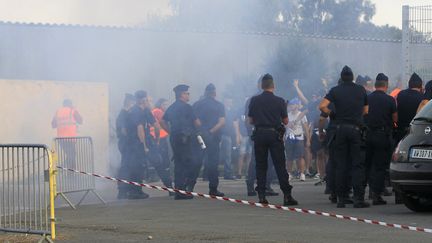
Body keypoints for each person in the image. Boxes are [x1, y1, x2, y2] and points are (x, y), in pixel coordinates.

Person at [319, 66, 370, 208]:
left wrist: (332, 114)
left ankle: (341, 199)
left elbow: (322, 106)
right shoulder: (360, 90)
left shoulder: (335, 90)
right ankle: (359, 199)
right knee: (357, 164)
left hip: (340, 130)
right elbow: (366, 110)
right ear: (352, 77)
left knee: (341, 165)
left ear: (341, 78)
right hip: (355, 129)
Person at [248, 73, 298, 206]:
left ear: (262, 86)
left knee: (261, 166)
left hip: (259, 134)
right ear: (273, 86)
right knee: (280, 165)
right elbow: (286, 121)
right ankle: (287, 196)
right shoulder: (280, 101)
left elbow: (250, 120)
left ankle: (262, 196)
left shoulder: (254, 100)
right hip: (275, 135)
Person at [160, 85, 201, 200]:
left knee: (179, 164)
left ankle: (179, 190)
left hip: (175, 138)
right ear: (182, 94)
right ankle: (182, 190)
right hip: (186, 139)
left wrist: (171, 132)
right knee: (189, 163)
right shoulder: (188, 107)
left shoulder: (172, 107)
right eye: (187, 93)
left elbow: (162, 121)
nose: (188, 95)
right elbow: (197, 123)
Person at [365, 73, 397, 205]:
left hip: (368, 135)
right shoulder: (390, 100)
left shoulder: (367, 98)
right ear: (386, 85)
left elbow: (364, 113)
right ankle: (376, 195)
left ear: (375, 85)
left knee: (367, 165)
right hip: (382, 135)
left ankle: (362, 193)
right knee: (379, 166)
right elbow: (395, 119)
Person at [193, 83, 226, 196]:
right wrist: (211, 132)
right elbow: (221, 122)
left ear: (205, 93)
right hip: (214, 137)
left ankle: (189, 187)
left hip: (200, 137)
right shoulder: (219, 105)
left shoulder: (197, 104)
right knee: (213, 163)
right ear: (214, 93)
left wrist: (202, 131)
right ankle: (213, 189)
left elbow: (194, 120)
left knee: (197, 161)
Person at [124, 90, 156, 199]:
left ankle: (136, 190)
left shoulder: (145, 110)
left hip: (136, 143)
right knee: (136, 167)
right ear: (142, 99)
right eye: (146, 98)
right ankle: (135, 191)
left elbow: (155, 124)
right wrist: (144, 145)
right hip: (136, 144)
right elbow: (140, 128)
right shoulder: (136, 111)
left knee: (139, 167)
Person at [52, 99, 83, 168]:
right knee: (72, 156)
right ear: (70, 104)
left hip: (61, 139)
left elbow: (53, 125)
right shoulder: (72, 111)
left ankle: (65, 170)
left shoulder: (58, 112)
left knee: (70, 155)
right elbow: (80, 121)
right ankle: (65, 171)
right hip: (70, 138)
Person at [115, 93, 136, 199]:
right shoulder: (123, 114)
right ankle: (122, 191)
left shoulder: (126, 113)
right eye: (132, 101)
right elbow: (123, 130)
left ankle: (126, 190)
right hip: (126, 143)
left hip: (127, 143)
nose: (134, 104)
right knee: (125, 167)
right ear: (128, 101)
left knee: (128, 166)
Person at [395, 73, 424, 144]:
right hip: (415, 133)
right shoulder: (422, 98)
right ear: (420, 86)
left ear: (409, 84)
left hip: (400, 133)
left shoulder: (400, 94)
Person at [285, 98, 310, 182]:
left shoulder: (302, 115)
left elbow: (306, 128)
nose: (292, 106)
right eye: (291, 104)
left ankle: (302, 174)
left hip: (299, 137)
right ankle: (289, 173)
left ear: (297, 105)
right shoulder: (287, 115)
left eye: (293, 104)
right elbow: (284, 126)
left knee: (300, 156)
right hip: (289, 137)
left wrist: (308, 140)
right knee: (289, 157)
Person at [220, 95, 240, 180]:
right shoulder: (220, 110)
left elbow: (235, 124)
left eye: (230, 101)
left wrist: (237, 135)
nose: (229, 103)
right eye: (228, 101)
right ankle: (208, 173)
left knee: (228, 155)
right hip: (220, 135)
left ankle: (227, 173)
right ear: (224, 101)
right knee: (215, 154)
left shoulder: (233, 112)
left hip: (228, 135)